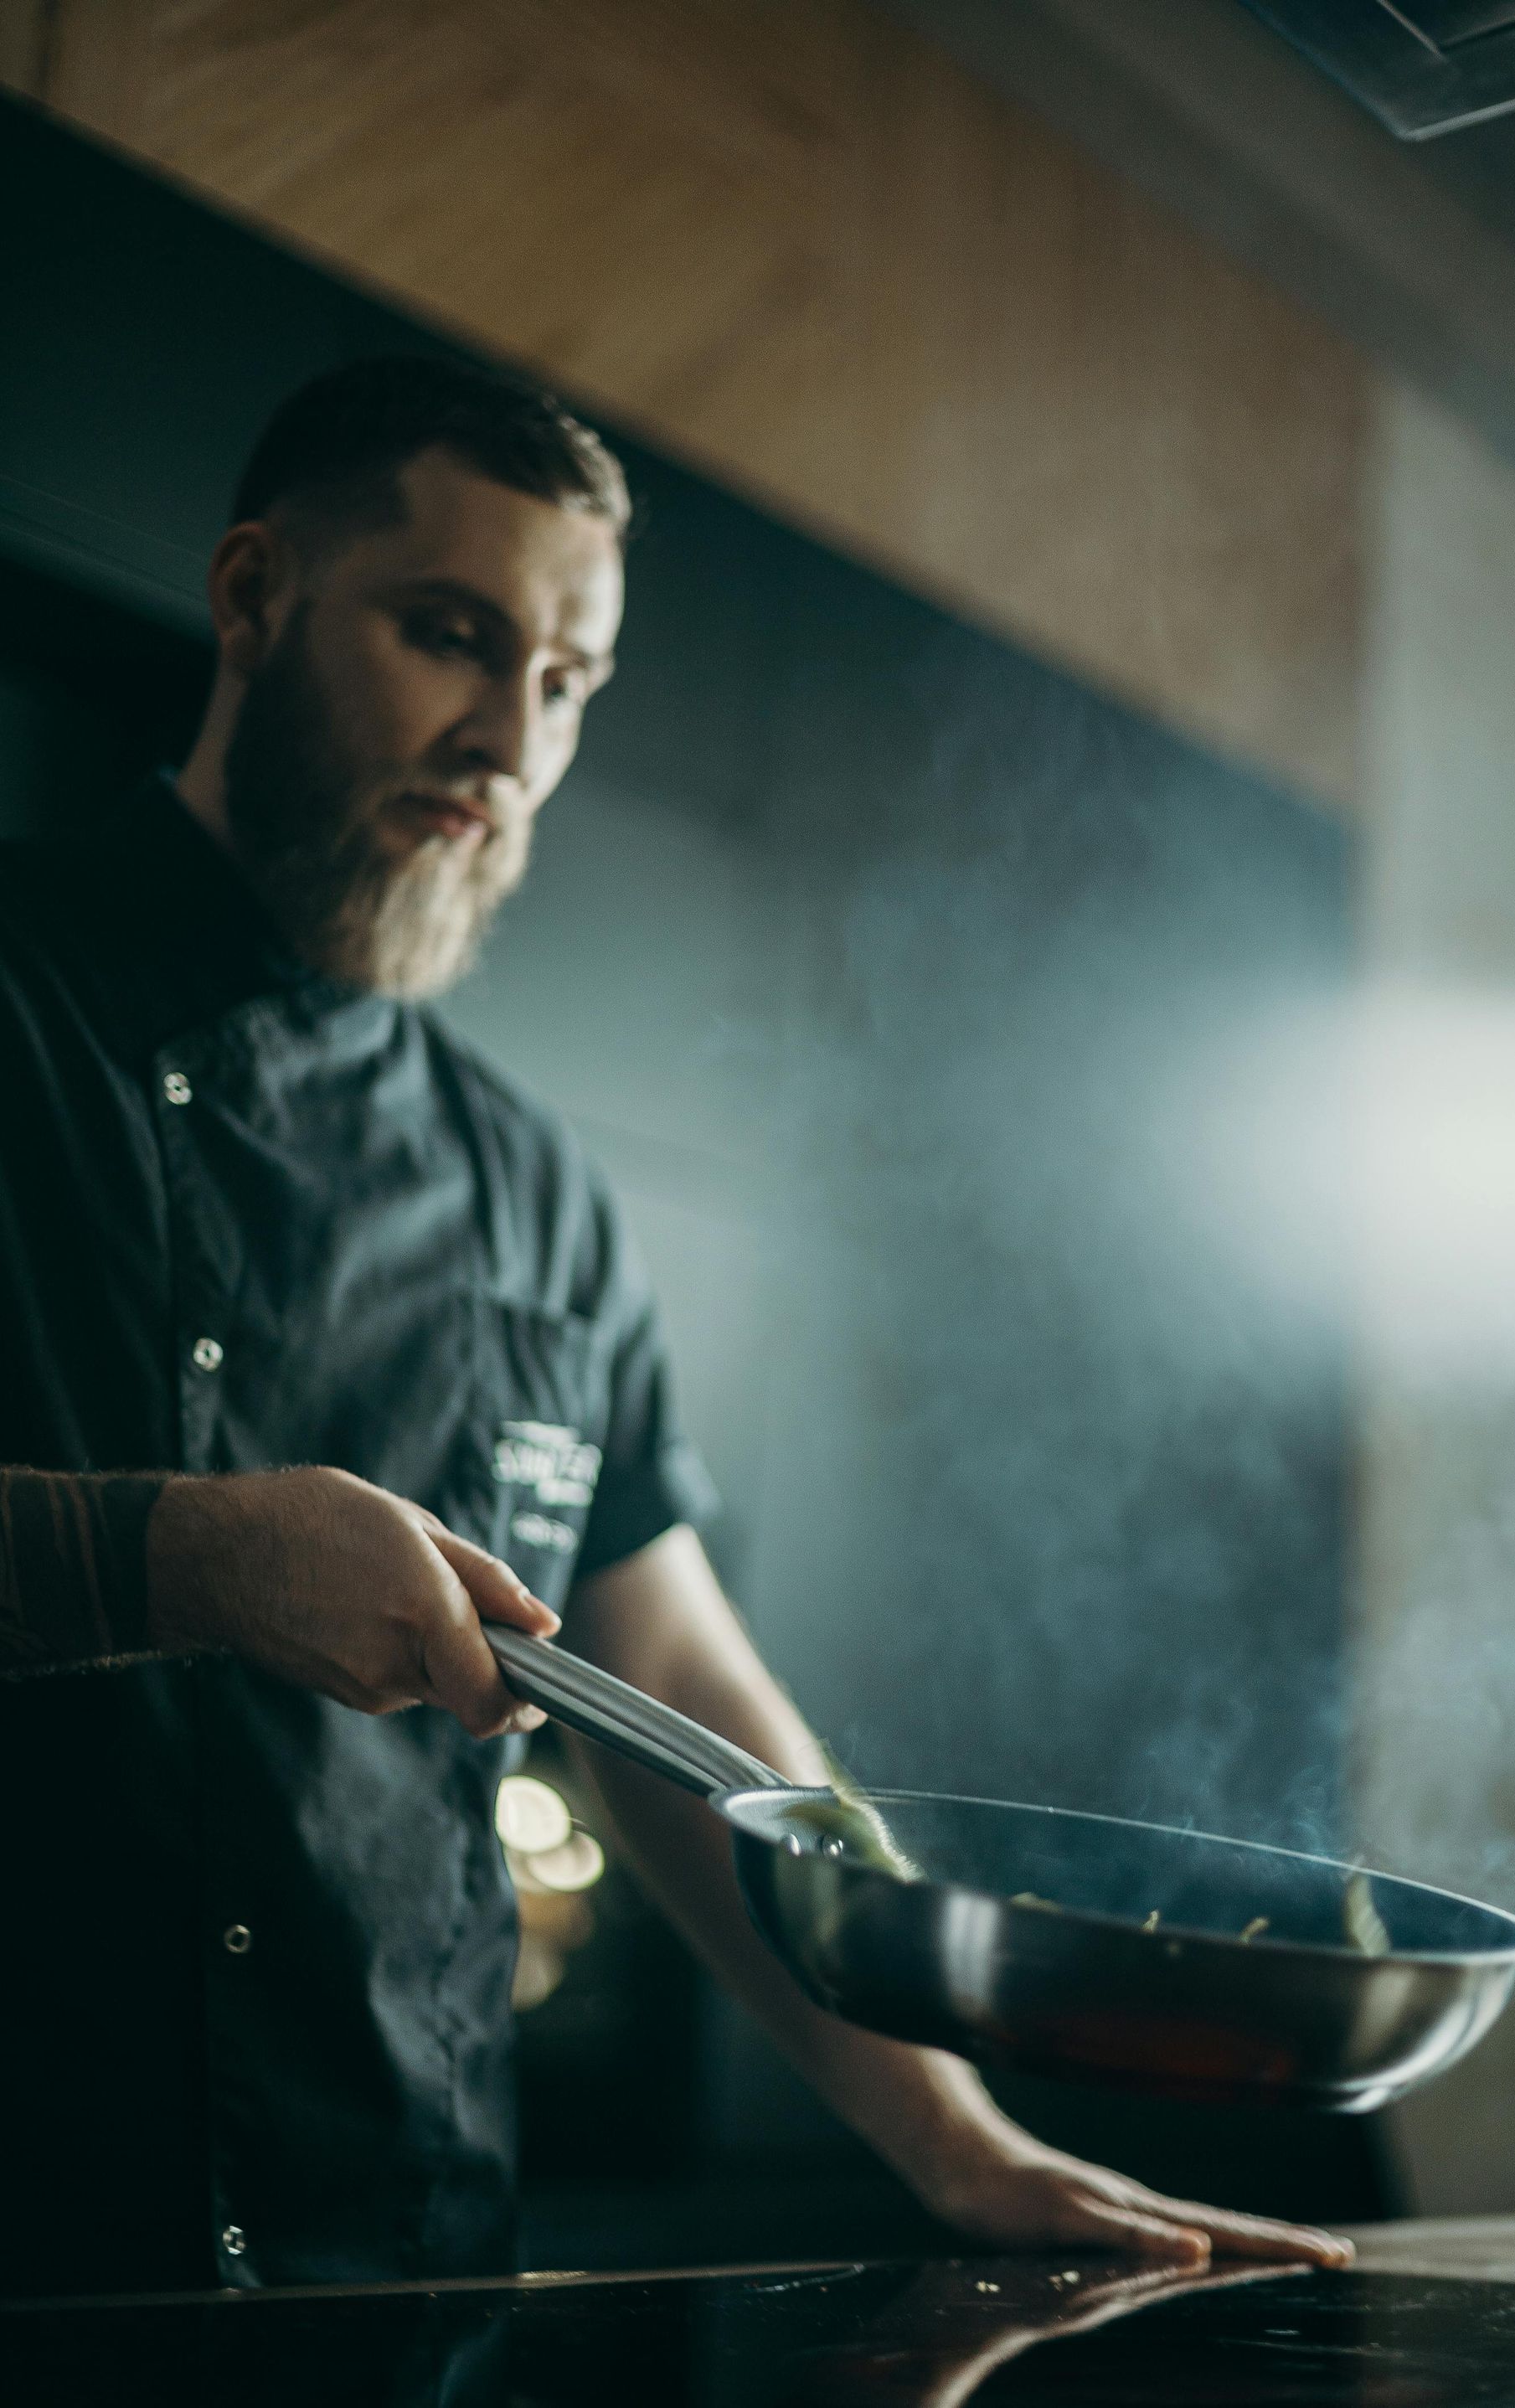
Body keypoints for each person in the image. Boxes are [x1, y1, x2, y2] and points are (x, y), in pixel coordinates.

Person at [0, 356, 1351, 2298]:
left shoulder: (534, 1189)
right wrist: (178, 1554)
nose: (508, 742)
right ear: (250, 598)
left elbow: (682, 1710)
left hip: (411, 2271)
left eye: (565, 684)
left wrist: (948, 2132)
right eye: (452, 636)